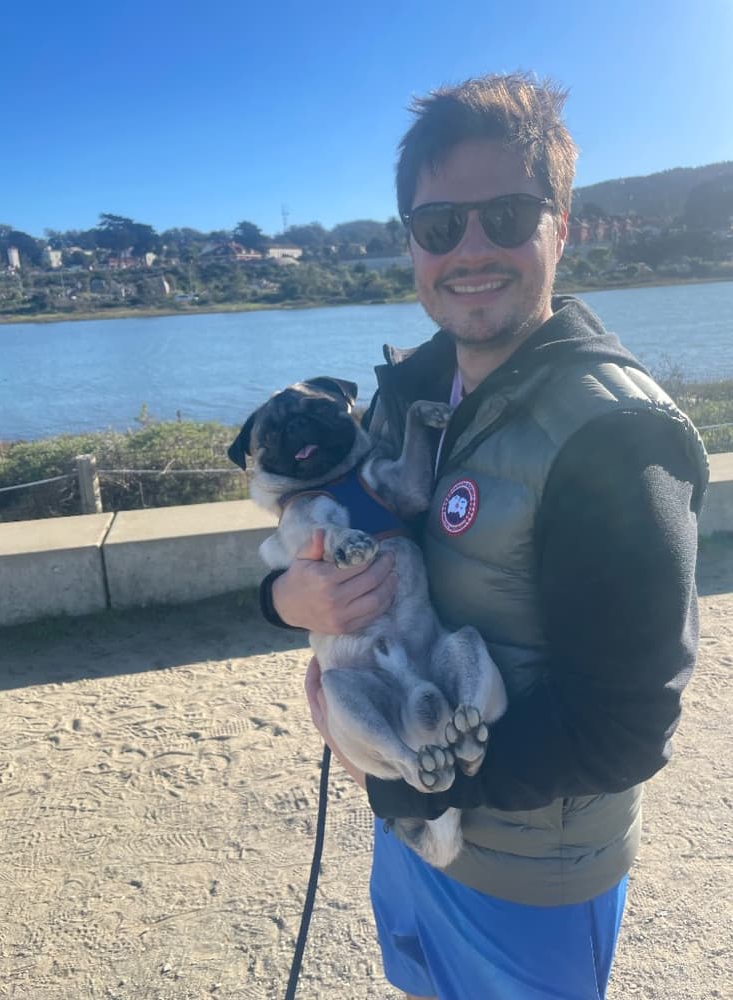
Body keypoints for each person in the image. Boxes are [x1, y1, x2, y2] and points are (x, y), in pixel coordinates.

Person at [260, 73, 709, 1000]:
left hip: (532, 881)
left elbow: (626, 726)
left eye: (506, 215)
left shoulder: (616, 437)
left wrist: (410, 779)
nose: (471, 249)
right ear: (411, 248)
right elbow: (323, 539)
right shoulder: (411, 393)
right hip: (415, 843)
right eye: (438, 227)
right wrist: (280, 601)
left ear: (562, 225)